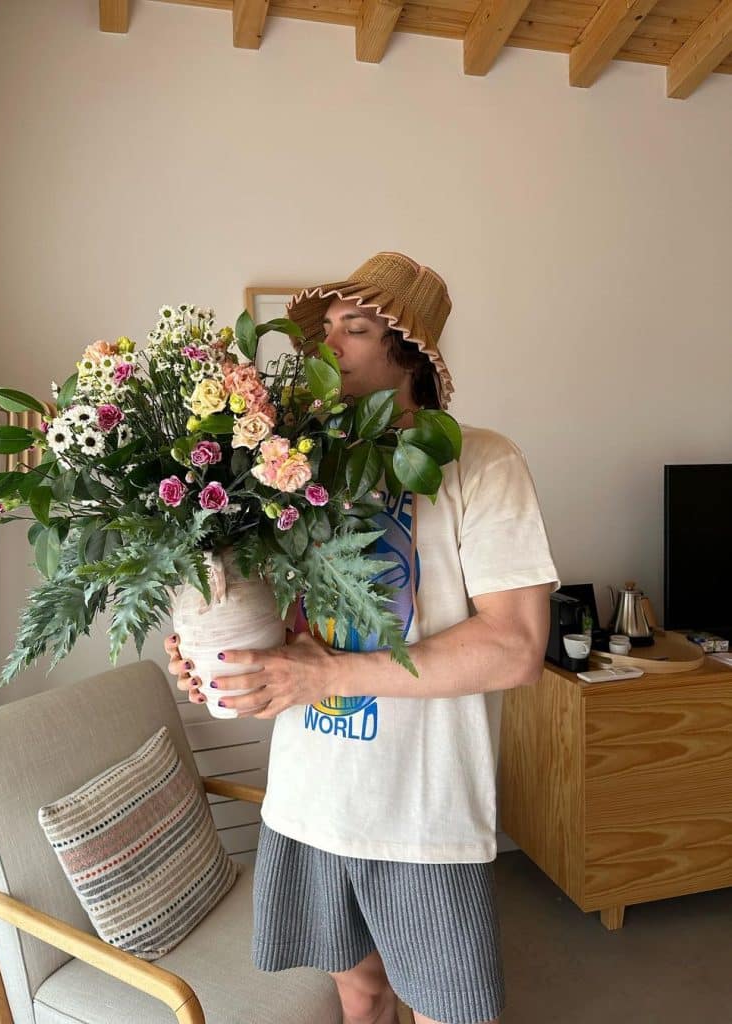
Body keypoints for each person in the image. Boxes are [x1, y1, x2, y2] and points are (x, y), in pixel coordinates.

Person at [165, 252, 559, 1024]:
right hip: (309, 800)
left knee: (449, 1011)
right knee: (358, 992)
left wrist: (326, 678)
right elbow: (289, 626)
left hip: (422, 814)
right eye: (325, 333)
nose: (329, 347)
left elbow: (514, 648)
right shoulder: (301, 468)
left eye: (355, 328)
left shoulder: (481, 462)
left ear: (408, 354)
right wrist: (219, 652)